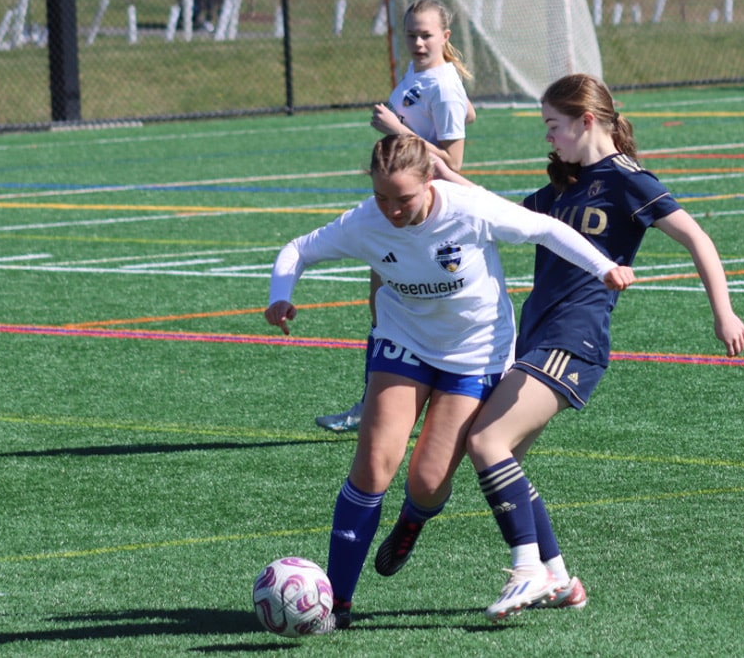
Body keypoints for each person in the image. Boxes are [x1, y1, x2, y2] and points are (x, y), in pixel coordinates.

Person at [374, 73, 744, 621]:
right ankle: (558, 576)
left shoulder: (626, 179)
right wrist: (432, 160)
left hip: (574, 337)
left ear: (586, 121)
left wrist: (724, 311)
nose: (548, 137)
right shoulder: (561, 188)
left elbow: (698, 237)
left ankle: (526, 572)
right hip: (536, 336)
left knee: (486, 441)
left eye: (553, 125)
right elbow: (491, 206)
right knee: (506, 464)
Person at [266, 133, 632, 631]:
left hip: (474, 353)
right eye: (382, 198)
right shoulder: (365, 222)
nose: (392, 210)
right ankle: (338, 602)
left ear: (429, 182)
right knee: (373, 466)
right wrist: (280, 295)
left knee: (429, 482)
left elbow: (546, 229)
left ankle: (413, 520)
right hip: (402, 343)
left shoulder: (470, 209)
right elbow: (296, 250)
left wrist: (605, 267)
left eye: (404, 199)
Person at [316, 0, 476, 433]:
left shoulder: (440, 83)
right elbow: (466, 113)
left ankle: (397, 403)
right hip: (401, 209)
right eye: (412, 35)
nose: (418, 43)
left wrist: (398, 130)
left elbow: (453, 162)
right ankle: (377, 403)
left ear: (445, 36)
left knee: (405, 307)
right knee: (383, 304)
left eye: (426, 35)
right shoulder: (425, 75)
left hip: (425, 213)